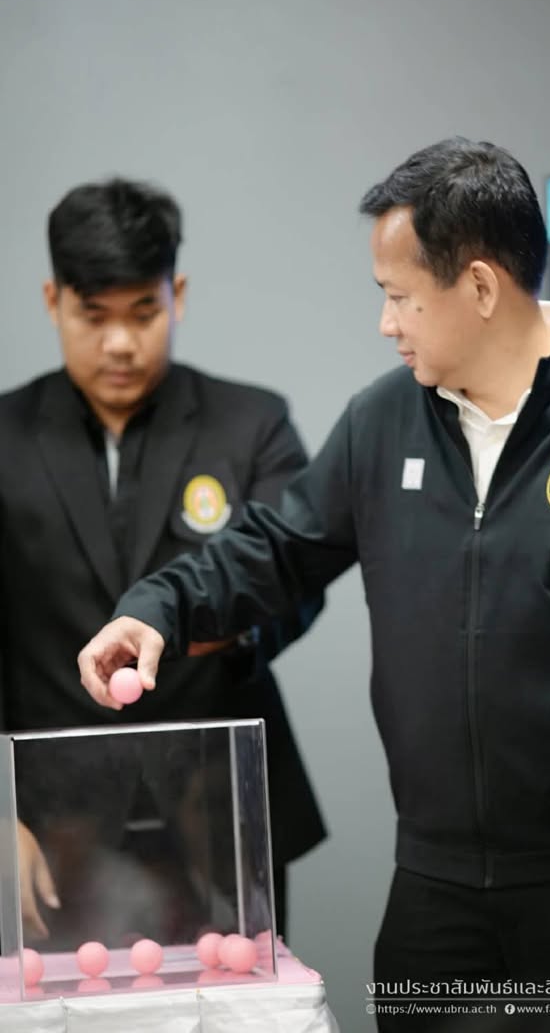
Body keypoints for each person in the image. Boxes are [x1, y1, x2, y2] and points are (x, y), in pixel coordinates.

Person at [79, 140, 550, 1030]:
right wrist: (157, 610)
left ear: (481, 287)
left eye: (400, 295)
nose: (387, 323)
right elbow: (274, 546)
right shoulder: (382, 422)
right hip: (435, 891)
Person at [0, 178, 325, 944]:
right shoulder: (4, 438)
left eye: (143, 313)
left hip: (220, 810)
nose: (120, 343)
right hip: (49, 826)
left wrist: (228, 632)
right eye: (94, 316)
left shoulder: (252, 423)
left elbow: (296, 576)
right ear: (52, 301)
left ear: (176, 295)